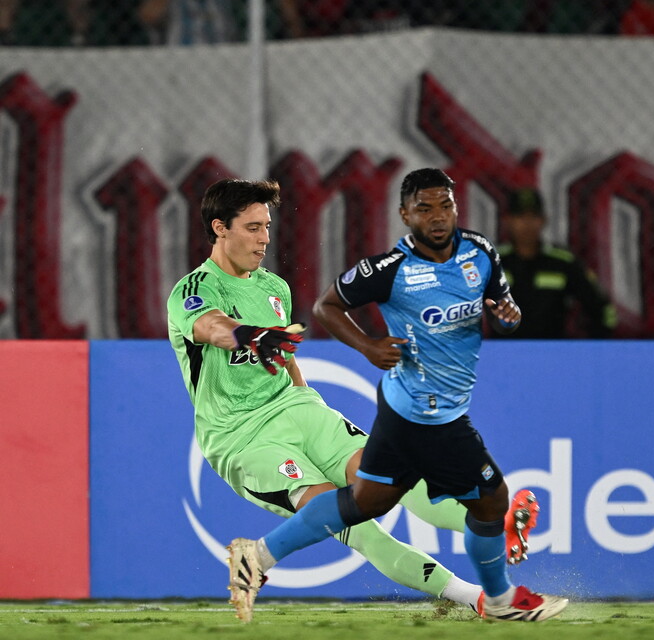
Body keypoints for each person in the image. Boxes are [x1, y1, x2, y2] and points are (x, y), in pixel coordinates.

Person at [166, 178, 539, 623]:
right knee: (355, 526)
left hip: (299, 411)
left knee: (390, 481)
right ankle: (474, 598)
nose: (265, 238)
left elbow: (282, 357)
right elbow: (211, 326)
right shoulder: (193, 289)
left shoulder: (275, 289)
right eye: (252, 228)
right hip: (241, 438)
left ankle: (493, 523)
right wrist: (246, 334)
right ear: (219, 228)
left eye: (267, 226)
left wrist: (304, 398)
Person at [307, 168, 569, 622]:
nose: (437, 215)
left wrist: (507, 316)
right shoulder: (391, 269)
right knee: (455, 499)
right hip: (409, 410)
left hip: (422, 410)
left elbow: (504, 313)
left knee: (376, 513)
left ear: (455, 207)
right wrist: (369, 345)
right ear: (405, 214)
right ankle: (496, 586)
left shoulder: (480, 252)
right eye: (424, 207)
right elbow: (324, 307)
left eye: (445, 205)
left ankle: (264, 554)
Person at [496, 188, 616, 339]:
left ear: (544, 220)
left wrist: (597, 347)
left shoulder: (563, 263)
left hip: (553, 351)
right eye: (520, 217)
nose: (527, 224)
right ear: (507, 221)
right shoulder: (492, 262)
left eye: (533, 217)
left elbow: (602, 309)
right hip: (502, 353)